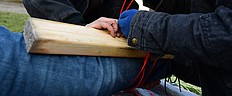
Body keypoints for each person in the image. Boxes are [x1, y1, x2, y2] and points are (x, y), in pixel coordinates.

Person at [0, 22, 170, 95]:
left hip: (108, 47)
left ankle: (159, 67)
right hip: (72, 38)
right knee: (96, 75)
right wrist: (81, 28)